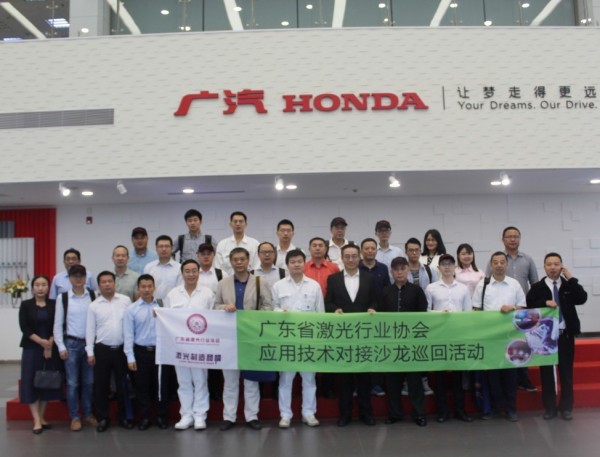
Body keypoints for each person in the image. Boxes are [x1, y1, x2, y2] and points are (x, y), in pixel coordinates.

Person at [213, 247, 273, 431]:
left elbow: (268, 307)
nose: (239, 262)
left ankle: (252, 416)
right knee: (230, 381)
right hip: (229, 338)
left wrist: (252, 316)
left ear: (248, 261)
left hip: (251, 336)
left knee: (251, 380)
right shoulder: (223, 283)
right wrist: (224, 308)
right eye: (235, 260)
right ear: (230, 262)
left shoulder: (260, 282)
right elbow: (215, 306)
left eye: (242, 259)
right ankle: (229, 417)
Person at [526, 252, 588, 421]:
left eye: (556, 264)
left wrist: (572, 278)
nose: (553, 267)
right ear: (544, 267)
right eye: (549, 264)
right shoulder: (538, 287)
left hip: (565, 335)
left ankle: (566, 407)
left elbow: (582, 298)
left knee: (566, 373)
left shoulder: (568, 285)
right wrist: (544, 303)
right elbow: (529, 304)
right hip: (545, 337)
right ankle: (550, 407)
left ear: (561, 266)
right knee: (547, 373)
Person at [325, 244, 377, 427]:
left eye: (354, 256)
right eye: (347, 256)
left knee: (364, 377)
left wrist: (373, 308)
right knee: (345, 378)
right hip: (343, 335)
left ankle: (366, 414)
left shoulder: (370, 278)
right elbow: (328, 303)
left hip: (364, 334)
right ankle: (345, 415)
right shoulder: (333, 279)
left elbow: (376, 300)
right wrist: (335, 309)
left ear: (359, 257)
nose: (351, 259)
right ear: (342, 258)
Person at [272, 249, 324, 428]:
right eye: (292, 262)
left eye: (299, 261)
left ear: (304, 263)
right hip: (286, 340)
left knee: (309, 379)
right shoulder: (278, 286)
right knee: (286, 380)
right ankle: (285, 415)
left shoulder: (314, 286)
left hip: (308, 340)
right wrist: (281, 312)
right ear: (287, 265)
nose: (296, 264)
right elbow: (272, 309)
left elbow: (320, 313)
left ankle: (308, 413)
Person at [472, 251, 526, 422]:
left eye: (502, 262)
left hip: (510, 336)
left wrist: (512, 308)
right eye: (495, 262)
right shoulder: (483, 285)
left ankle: (511, 409)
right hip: (490, 337)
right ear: (491, 265)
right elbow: (476, 309)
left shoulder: (514, 284)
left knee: (510, 375)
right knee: (492, 375)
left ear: (507, 265)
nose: (499, 265)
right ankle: (495, 408)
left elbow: (523, 308)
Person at [164, 259, 215, 431]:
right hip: (179, 346)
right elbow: (167, 318)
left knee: (200, 381)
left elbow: (214, 319)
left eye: (194, 271)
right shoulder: (173, 294)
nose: (191, 274)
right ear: (182, 273)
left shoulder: (207, 293)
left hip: (201, 346)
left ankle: (200, 415)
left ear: (198, 273)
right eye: (187, 271)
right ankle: (186, 415)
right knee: (183, 381)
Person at [487, 226, 539, 392]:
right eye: (509, 236)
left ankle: (523, 379)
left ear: (520, 239)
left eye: (515, 236)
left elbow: (535, 284)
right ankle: (506, 381)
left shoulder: (528, 259)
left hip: (521, 310)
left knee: (521, 344)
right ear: (503, 239)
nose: (512, 239)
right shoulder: (497, 259)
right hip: (500, 313)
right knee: (503, 346)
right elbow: (488, 282)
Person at [424, 254, 473, 423]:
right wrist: (439, 314)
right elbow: (426, 311)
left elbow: (468, 312)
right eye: (443, 264)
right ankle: (442, 411)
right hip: (439, 335)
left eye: (450, 264)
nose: (446, 267)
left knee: (458, 375)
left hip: (458, 335)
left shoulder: (463, 288)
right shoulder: (431, 288)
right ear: (438, 268)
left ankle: (460, 410)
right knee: (440, 375)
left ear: (454, 267)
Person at [380, 257, 428, 427]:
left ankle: (419, 413)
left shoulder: (417, 291)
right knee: (392, 381)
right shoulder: (385, 291)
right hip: (391, 344)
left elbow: (423, 315)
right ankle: (395, 413)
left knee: (415, 381)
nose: (399, 272)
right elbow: (380, 317)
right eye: (396, 269)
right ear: (391, 272)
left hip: (412, 343)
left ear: (408, 270)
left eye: (402, 268)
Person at [85, 271, 132, 432]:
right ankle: (103, 418)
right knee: (101, 386)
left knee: (123, 385)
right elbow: (90, 330)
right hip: (102, 350)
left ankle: (124, 417)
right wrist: (90, 352)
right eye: (103, 282)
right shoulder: (94, 305)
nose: (107, 284)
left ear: (114, 283)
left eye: (109, 281)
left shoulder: (125, 301)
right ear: (99, 285)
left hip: (121, 350)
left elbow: (130, 325)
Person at [52, 265, 97, 431]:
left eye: (81, 275)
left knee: (89, 382)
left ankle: (88, 414)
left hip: (90, 344)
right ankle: (75, 417)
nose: (78, 278)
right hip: (71, 345)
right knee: (72, 383)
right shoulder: (63, 298)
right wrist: (60, 346)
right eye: (75, 275)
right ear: (69, 278)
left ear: (86, 278)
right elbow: (57, 324)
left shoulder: (93, 295)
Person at [123, 275, 171, 431]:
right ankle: (145, 417)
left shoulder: (163, 306)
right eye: (143, 286)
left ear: (154, 288)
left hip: (160, 352)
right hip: (140, 352)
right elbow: (128, 335)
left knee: (161, 386)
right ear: (138, 288)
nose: (146, 289)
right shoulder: (131, 309)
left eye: (149, 286)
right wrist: (130, 357)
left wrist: (162, 316)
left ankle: (162, 416)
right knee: (142, 387)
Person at [19, 275, 62, 434]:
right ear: (32, 288)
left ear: (48, 287)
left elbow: (58, 325)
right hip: (32, 348)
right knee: (31, 381)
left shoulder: (54, 304)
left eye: (44, 284)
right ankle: (36, 420)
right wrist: (42, 342)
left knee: (46, 381)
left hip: (50, 347)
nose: (40, 288)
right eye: (37, 285)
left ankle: (42, 417)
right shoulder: (26, 305)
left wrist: (49, 343)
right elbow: (24, 327)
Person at [358, 237, 391, 397]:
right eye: (367, 248)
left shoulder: (383, 268)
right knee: (361, 351)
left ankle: (377, 384)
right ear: (361, 251)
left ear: (376, 251)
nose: (370, 251)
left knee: (377, 350)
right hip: (359, 315)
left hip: (379, 315)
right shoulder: (356, 267)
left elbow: (387, 290)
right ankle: (359, 385)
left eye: (373, 248)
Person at [405, 237, 437, 395]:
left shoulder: (429, 270)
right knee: (406, 350)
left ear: (420, 251)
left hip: (424, 315)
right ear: (406, 252)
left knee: (422, 350)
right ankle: (406, 382)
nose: (414, 253)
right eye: (411, 250)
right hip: (406, 316)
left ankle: (424, 381)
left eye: (417, 250)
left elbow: (436, 290)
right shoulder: (401, 270)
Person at [215, 211, 260, 276]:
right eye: (235, 221)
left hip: (249, 280)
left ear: (246, 224)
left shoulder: (254, 244)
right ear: (230, 224)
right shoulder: (222, 244)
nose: (238, 224)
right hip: (227, 280)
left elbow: (257, 266)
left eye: (241, 221)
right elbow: (218, 267)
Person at [143, 235, 182, 300]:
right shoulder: (149, 267)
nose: (164, 249)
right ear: (156, 249)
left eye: (167, 246)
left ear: (172, 248)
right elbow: (145, 288)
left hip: (173, 304)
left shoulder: (179, 268)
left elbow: (180, 289)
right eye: (161, 246)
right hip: (153, 304)